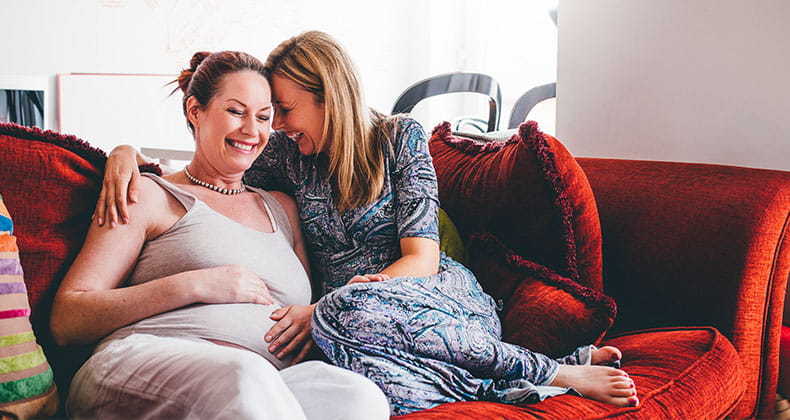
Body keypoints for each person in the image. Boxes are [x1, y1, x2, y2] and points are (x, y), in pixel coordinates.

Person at [98, 31, 639, 416]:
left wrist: (328, 306)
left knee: (347, 317)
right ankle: (517, 384)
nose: (275, 124)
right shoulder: (288, 153)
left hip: (428, 297)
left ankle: (553, 371)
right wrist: (124, 156)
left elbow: (422, 256)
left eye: (282, 108)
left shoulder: (400, 137)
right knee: (371, 388)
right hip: (351, 329)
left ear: (327, 97)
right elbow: (215, 169)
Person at [50, 50, 389, 420]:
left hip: (266, 381)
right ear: (195, 111)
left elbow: (301, 318)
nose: (251, 130)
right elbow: (67, 320)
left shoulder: (282, 208)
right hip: (142, 358)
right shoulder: (148, 194)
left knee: (358, 396)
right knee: (244, 376)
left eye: (263, 117)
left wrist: (339, 304)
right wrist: (196, 285)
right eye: (236, 111)